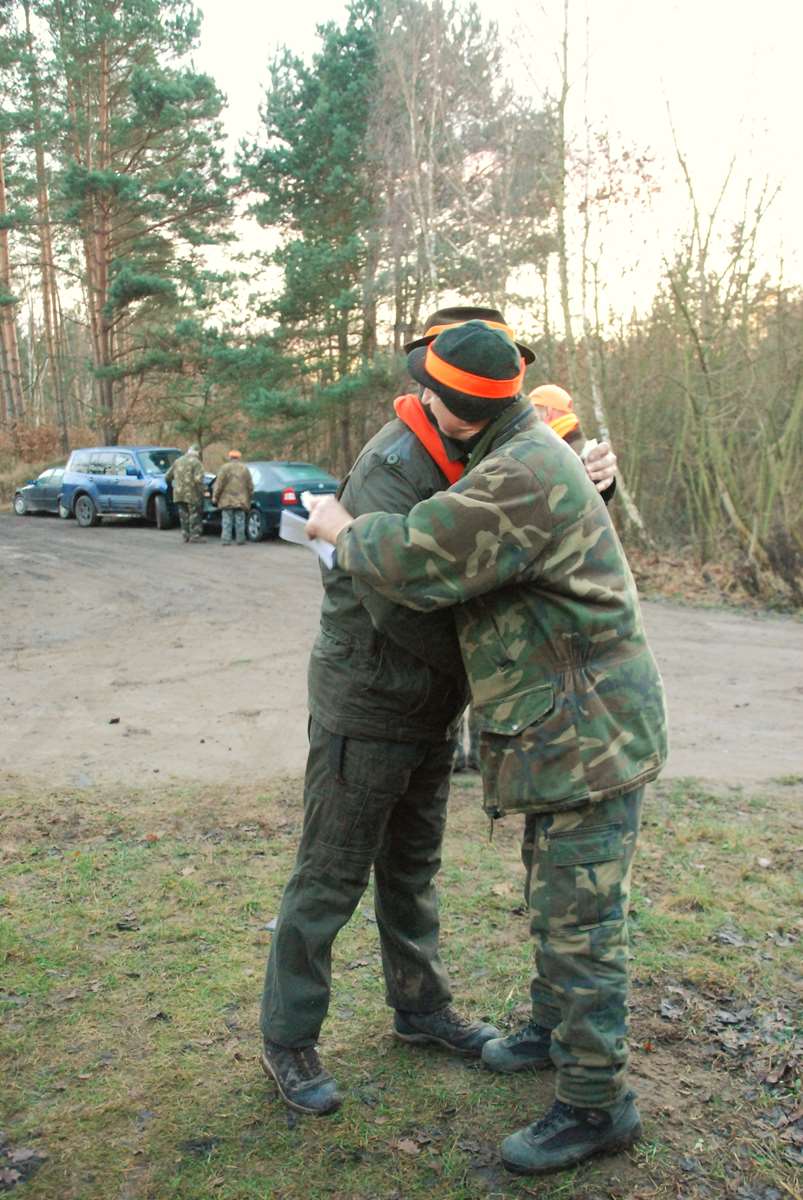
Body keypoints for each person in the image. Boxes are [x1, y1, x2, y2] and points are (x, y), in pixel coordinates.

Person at [306, 319, 668, 1176]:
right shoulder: (522, 449)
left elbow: (417, 556)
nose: (420, 403)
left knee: (581, 924)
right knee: (555, 898)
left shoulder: (521, 472)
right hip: (563, 727)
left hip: (587, 733)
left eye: (430, 395)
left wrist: (336, 526)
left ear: (456, 411)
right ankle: (550, 1029)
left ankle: (595, 1104)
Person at [453, 381, 615, 774]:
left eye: (539, 408)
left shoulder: (558, 451)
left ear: (549, 412)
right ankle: (477, 754)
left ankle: (473, 753)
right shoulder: (565, 447)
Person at [165, 444, 205, 543]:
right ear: (197, 453)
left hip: (178, 493)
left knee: (183, 515)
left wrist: (174, 485)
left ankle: (185, 536)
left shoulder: (178, 461)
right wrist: (202, 491)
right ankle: (195, 536)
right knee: (194, 515)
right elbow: (198, 480)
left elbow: (167, 477)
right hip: (192, 494)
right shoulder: (196, 463)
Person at [212, 450, 253, 545]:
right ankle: (240, 540)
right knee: (240, 520)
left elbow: (219, 484)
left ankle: (226, 540)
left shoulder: (224, 468)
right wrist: (250, 496)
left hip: (227, 500)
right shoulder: (244, 469)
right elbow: (250, 485)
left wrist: (215, 497)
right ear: (239, 458)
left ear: (230, 457)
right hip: (241, 500)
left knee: (227, 520)